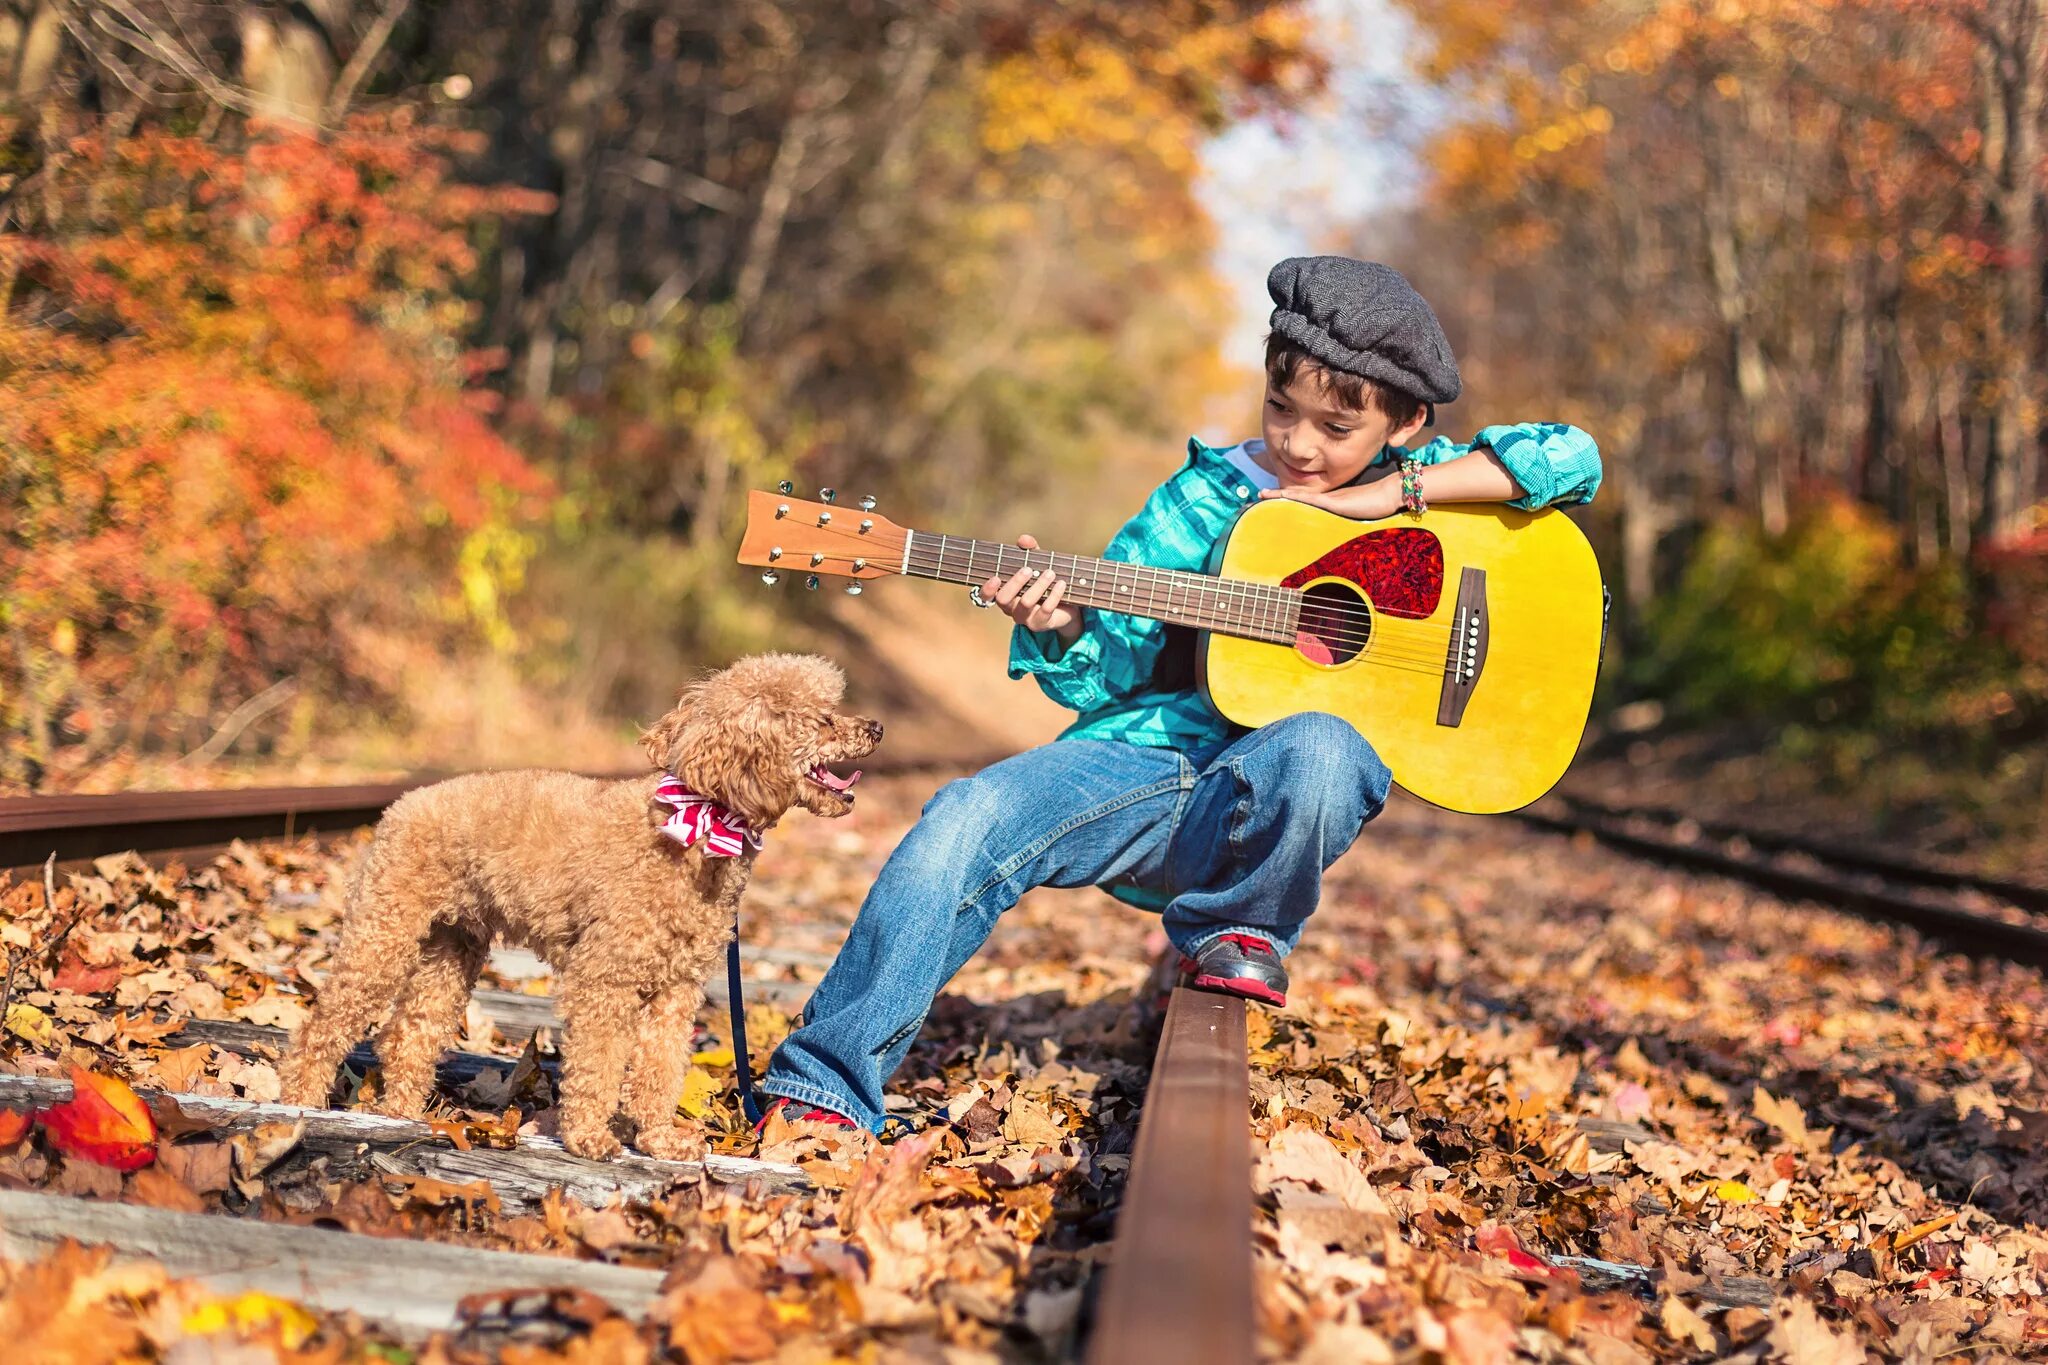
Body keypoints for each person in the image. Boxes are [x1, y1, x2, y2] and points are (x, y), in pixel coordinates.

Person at [757, 256, 1603, 1132]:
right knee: (963, 817)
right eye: (1281, 408)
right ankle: (821, 1084)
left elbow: (1573, 458)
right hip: (1147, 766)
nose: (1300, 445)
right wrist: (1060, 626)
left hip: (1271, 791)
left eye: (1335, 425)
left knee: (1322, 744)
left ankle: (1245, 929)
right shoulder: (1203, 499)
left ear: (1405, 422)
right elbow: (1107, 669)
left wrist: (1388, 497)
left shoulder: (1424, 498)